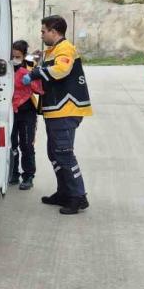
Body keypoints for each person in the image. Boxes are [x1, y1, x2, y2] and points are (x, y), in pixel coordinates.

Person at [23, 15, 93, 215]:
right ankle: (64, 193)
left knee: (64, 154)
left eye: (43, 31)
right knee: (54, 153)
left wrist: (35, 74)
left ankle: (78, 197)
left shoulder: (65, 48)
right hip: (55, 111)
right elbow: (33, 69)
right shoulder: (51, 51)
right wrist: (31, 61)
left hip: (65, 110)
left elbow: (61, 70)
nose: (41, 35)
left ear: (54, 31)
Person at [9, 40, 42, 190]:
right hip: (10, 111)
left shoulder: (30, 67)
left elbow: (39, 89)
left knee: (27, 145)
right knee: (11, 144)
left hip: (27, 111)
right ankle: (13, 173)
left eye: (18, 57)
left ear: (23, 56)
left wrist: (30, 79)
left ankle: (28, 176)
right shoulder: (6, 67)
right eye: (13, 56)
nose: (15, 59)